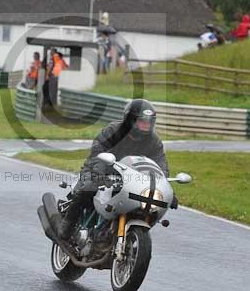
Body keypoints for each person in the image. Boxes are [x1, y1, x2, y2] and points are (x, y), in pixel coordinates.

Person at [58, 99, 174, 239]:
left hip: (131, 179)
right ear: (129, 120)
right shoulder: (113, 131)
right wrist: (98, 174)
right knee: (89, 187)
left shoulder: (154, 141)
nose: (146, 125)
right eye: (142, 121)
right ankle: (68, 223)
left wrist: (166, 189)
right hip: (100, 170)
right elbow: (98, 152)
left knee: (147, 202)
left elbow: (161, 165)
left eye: (148, 122)